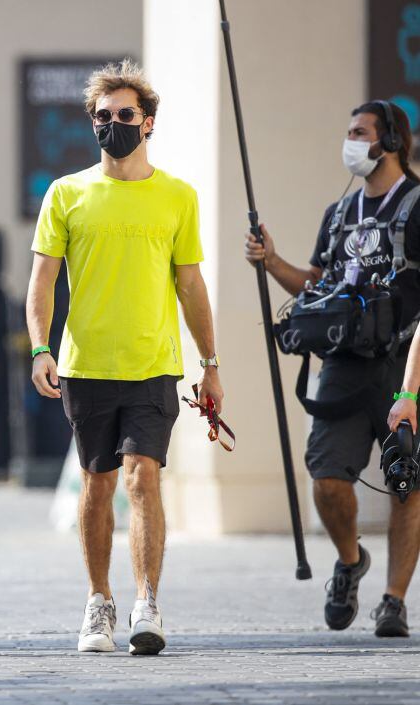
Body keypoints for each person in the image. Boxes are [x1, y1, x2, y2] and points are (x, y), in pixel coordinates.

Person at [26, 60, 223, 656]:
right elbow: (41, 284)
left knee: (143, 478)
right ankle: (97, 601)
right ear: (93, 125)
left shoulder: (177, 197)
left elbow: (191, 286)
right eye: (103, 116)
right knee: (97, 484)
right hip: (85, 365)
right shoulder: (66, 194)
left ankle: (147, 603)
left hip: (154, 365)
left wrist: (211, 362)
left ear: (149, 122)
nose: (114, 124)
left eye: (125, 115)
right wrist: (40, 347)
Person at [250, 101, 420, 638]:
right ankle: (350, 562)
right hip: (344, 366)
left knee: (407, 483)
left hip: (406, 359)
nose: (348, 142)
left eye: (359, 132)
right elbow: (317, 286)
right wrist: (272, 261)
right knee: (326, 480)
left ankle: (393, 600)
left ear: (390, 138)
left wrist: (411, 392)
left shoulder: (417, 207)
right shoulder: (338, 213)